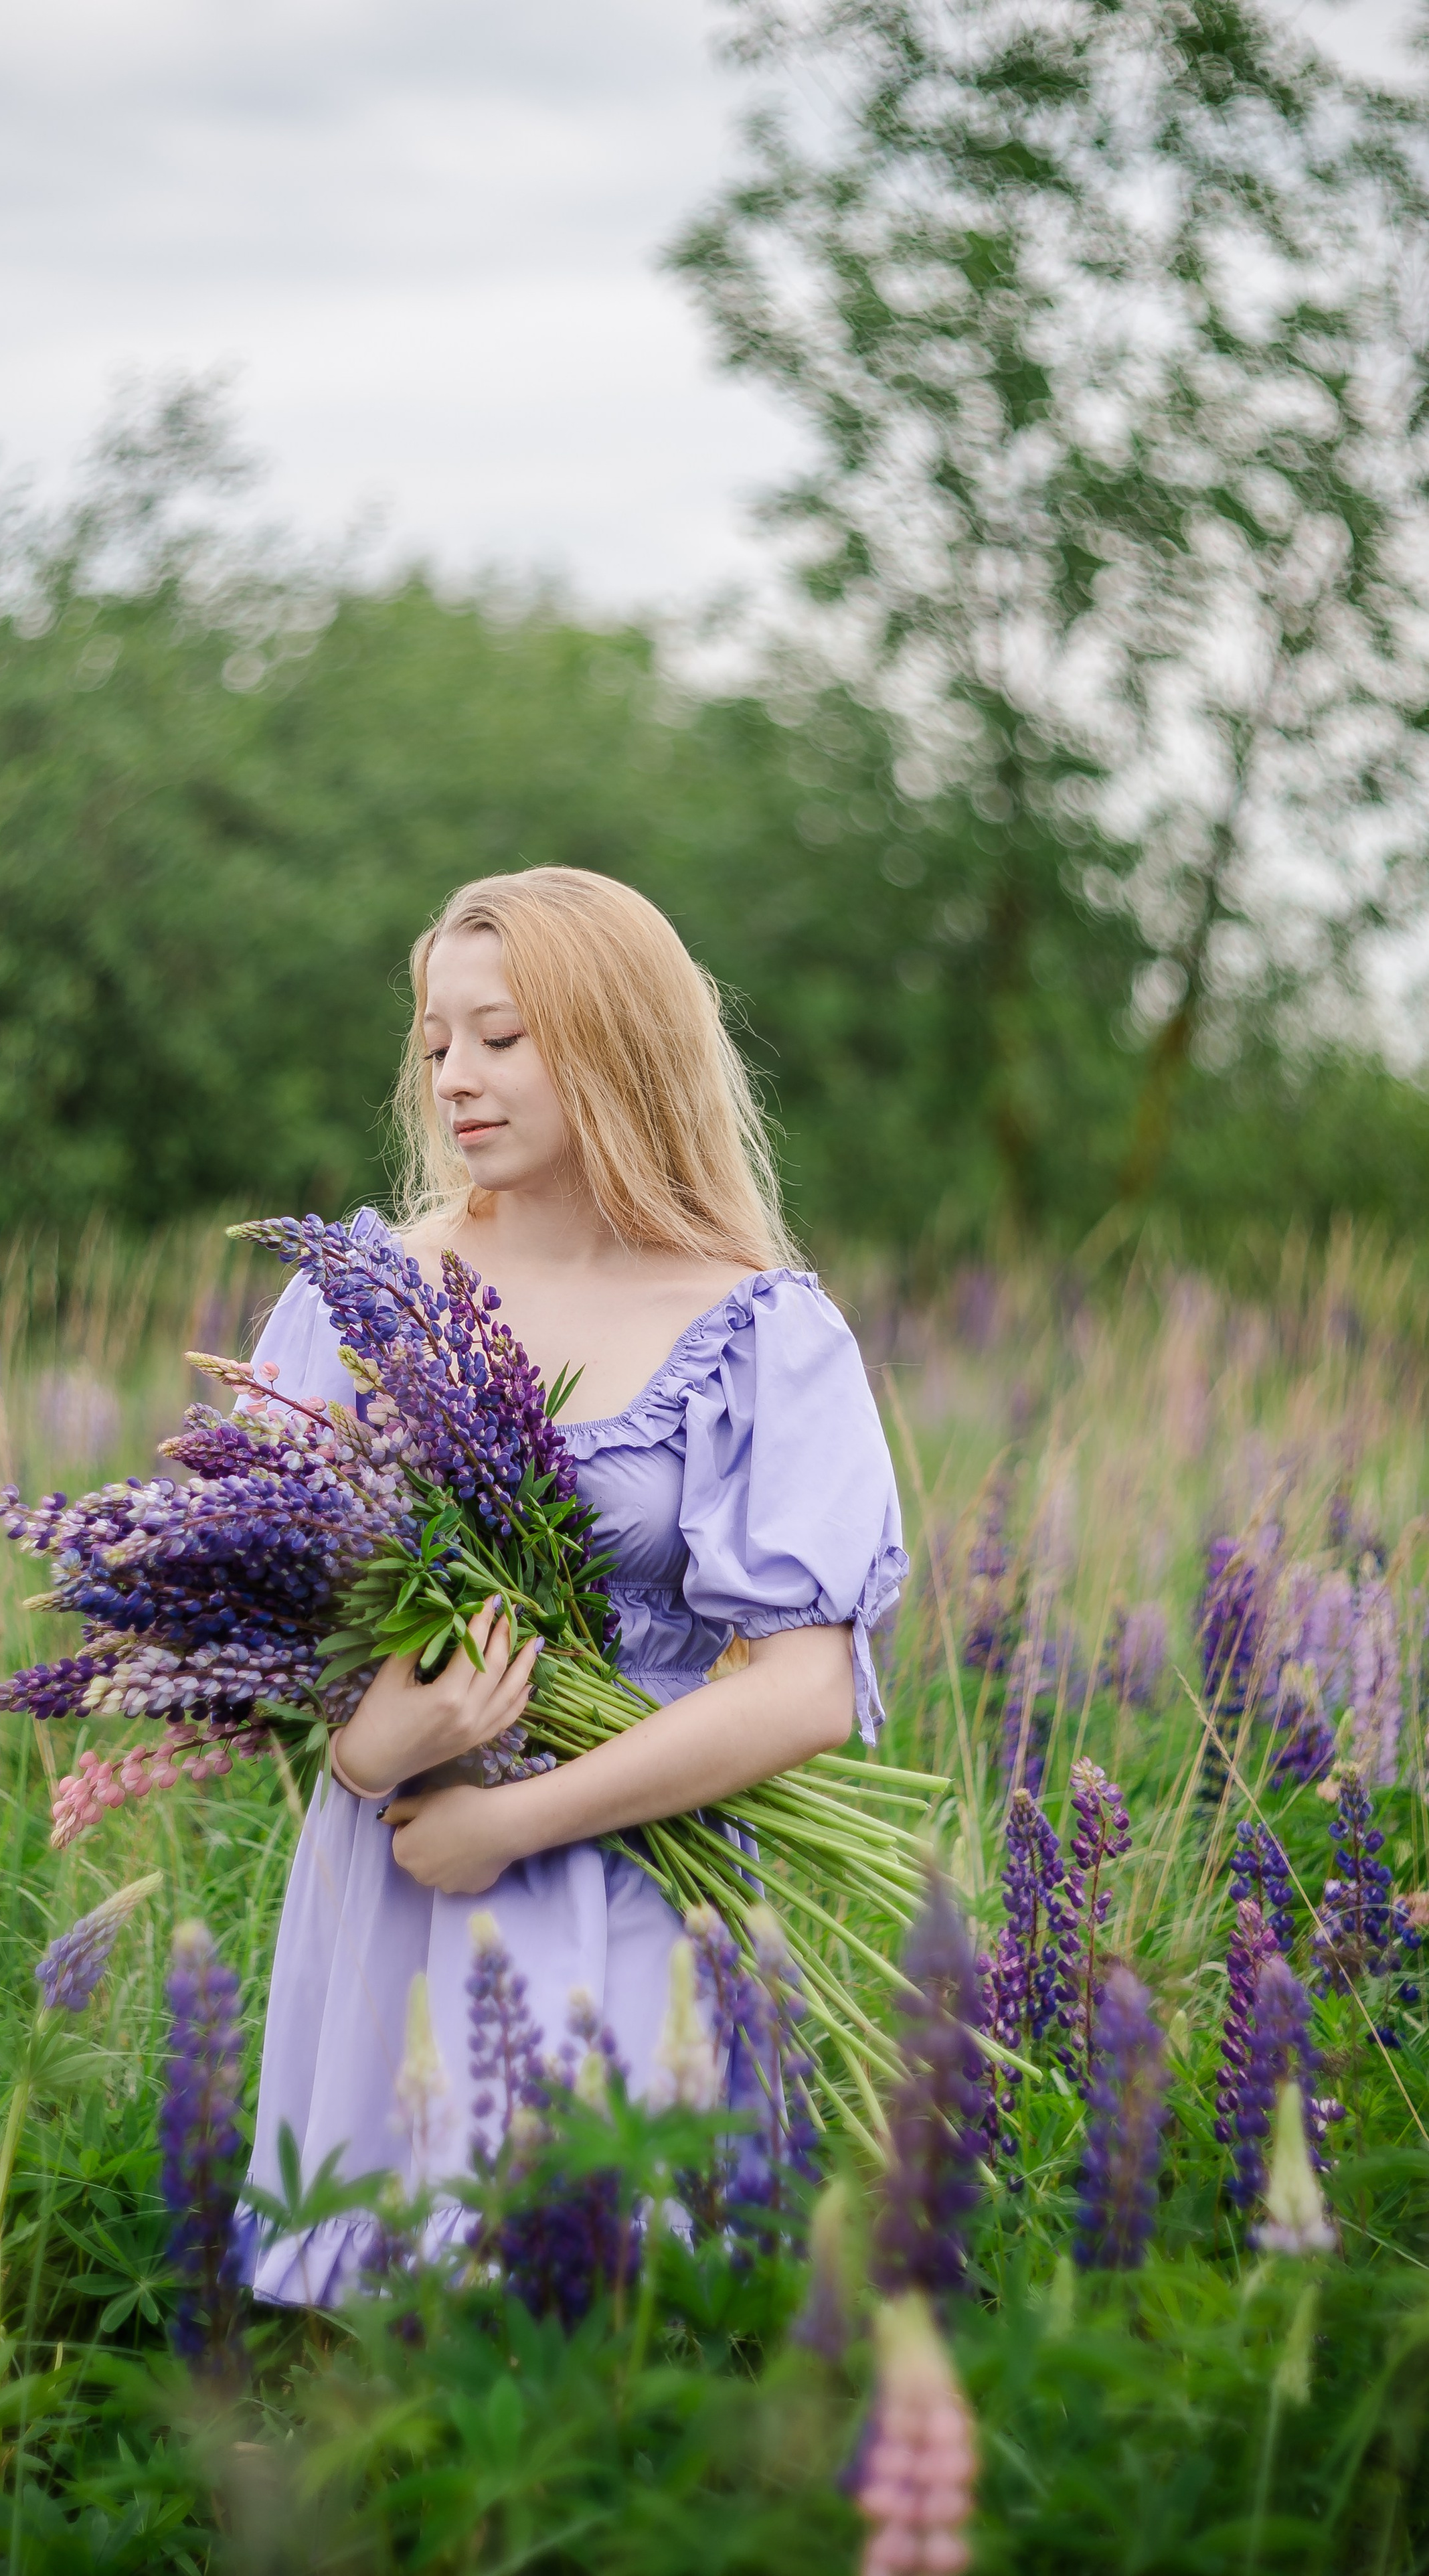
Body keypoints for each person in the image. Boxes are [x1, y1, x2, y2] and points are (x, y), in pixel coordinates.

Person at [237, 866, 906, 2304]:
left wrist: (514, 1818)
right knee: (385, 2344)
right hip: (396, 1869)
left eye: (500, 1036)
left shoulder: (755, 1327)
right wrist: (374, 1749)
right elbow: (267, 1626)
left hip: (638, 1868)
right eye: (433, 1045)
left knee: (612, 2332)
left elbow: (801, 1690)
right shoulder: (355, 1297)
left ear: (613, 1040)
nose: (455, 1080)